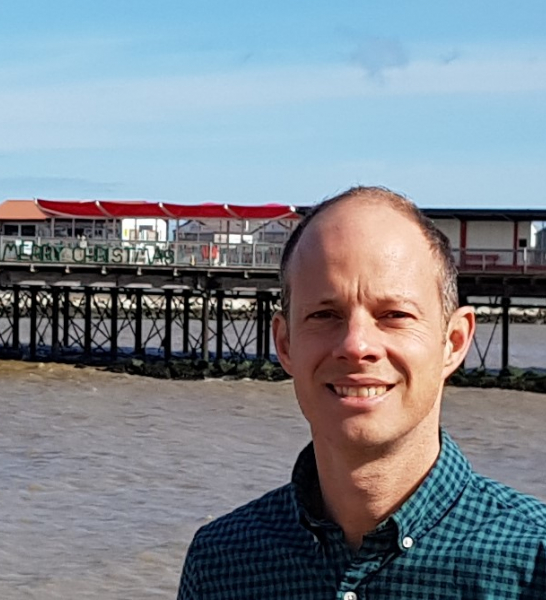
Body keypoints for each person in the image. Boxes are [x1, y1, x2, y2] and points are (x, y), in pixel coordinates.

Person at [177, 186, 546, 599]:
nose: (356, 345)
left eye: (394, 315)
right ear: (284, 344)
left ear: (454, 342)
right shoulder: (222, 563)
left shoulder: (533, 562)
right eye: (325, 315)